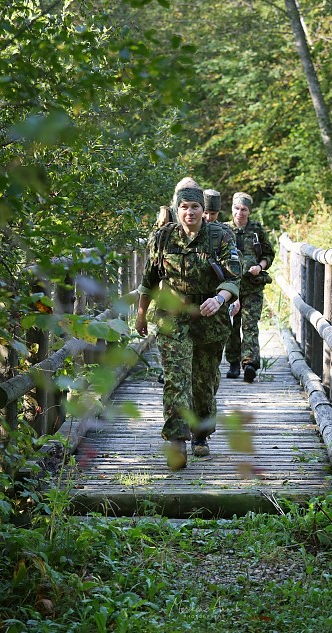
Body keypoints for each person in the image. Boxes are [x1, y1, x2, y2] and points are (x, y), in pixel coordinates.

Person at [135, 183, 241, 470]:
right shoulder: (162, 238)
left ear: (203, 210)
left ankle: (201, 435)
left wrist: (220, 299)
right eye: (184, 207)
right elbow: (149, 280)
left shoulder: (220, 235)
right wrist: (141, 314)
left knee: (203, 383)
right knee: (176, 378)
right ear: (176, 209)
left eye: (195, 207)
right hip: (172, 317)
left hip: (210, 318)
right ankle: (176, 441)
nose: (190, 212)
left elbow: (234, 276)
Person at [224, 192, 275, 383]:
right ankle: (233, 363)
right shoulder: (224, 230)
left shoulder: (256, 230)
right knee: (232, 326)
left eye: (243, 209)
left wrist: (259, 267)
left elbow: (269, 254)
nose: (240, 213)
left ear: (249, 211)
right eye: (236, 208)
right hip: (231, 287)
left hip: (253, 286)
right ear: (232, 209)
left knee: (250, 325)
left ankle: (250, 364)